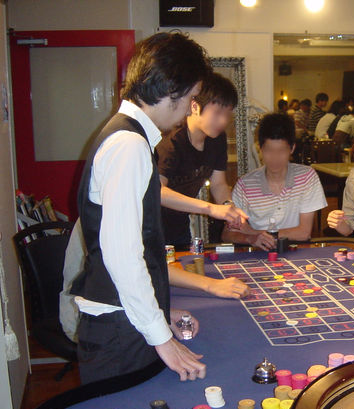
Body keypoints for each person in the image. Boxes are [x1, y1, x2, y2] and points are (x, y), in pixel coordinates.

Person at [70, 32, 210, 384]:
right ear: (172, 89)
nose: (191, 108)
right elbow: (122, 254)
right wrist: (161, 337)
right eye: (192, 97)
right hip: (118, 329)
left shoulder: (128, 136)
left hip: (123, 318)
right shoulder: (129, 144)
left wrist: (161, 312)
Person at [60, 219, 250, 342]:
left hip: (119, 310)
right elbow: (134, 268)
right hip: (91, 319)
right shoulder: (114, 209)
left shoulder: (133, 198)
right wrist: (211, 284)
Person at [156, 70, 248, 247]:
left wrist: (229, 207)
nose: (223, 121)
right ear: (194, 107)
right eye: (217, 112)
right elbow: (158, 192)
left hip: (179, 226)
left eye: (228, 114)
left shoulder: (217, 138)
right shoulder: (172, 141)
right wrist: (211, 208)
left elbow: (218, 184)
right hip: (151, 228)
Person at [222, 113, 327, 250]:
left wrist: (252, 232)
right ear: (260, 148)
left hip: (296, 253)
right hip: (258, 253)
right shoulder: (245, 185)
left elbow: (303, 233)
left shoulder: (307, 177)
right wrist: (251, 238)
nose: (275, 158)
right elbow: (227, 234)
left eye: (281, 151)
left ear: (292, 148)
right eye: (269, 150)